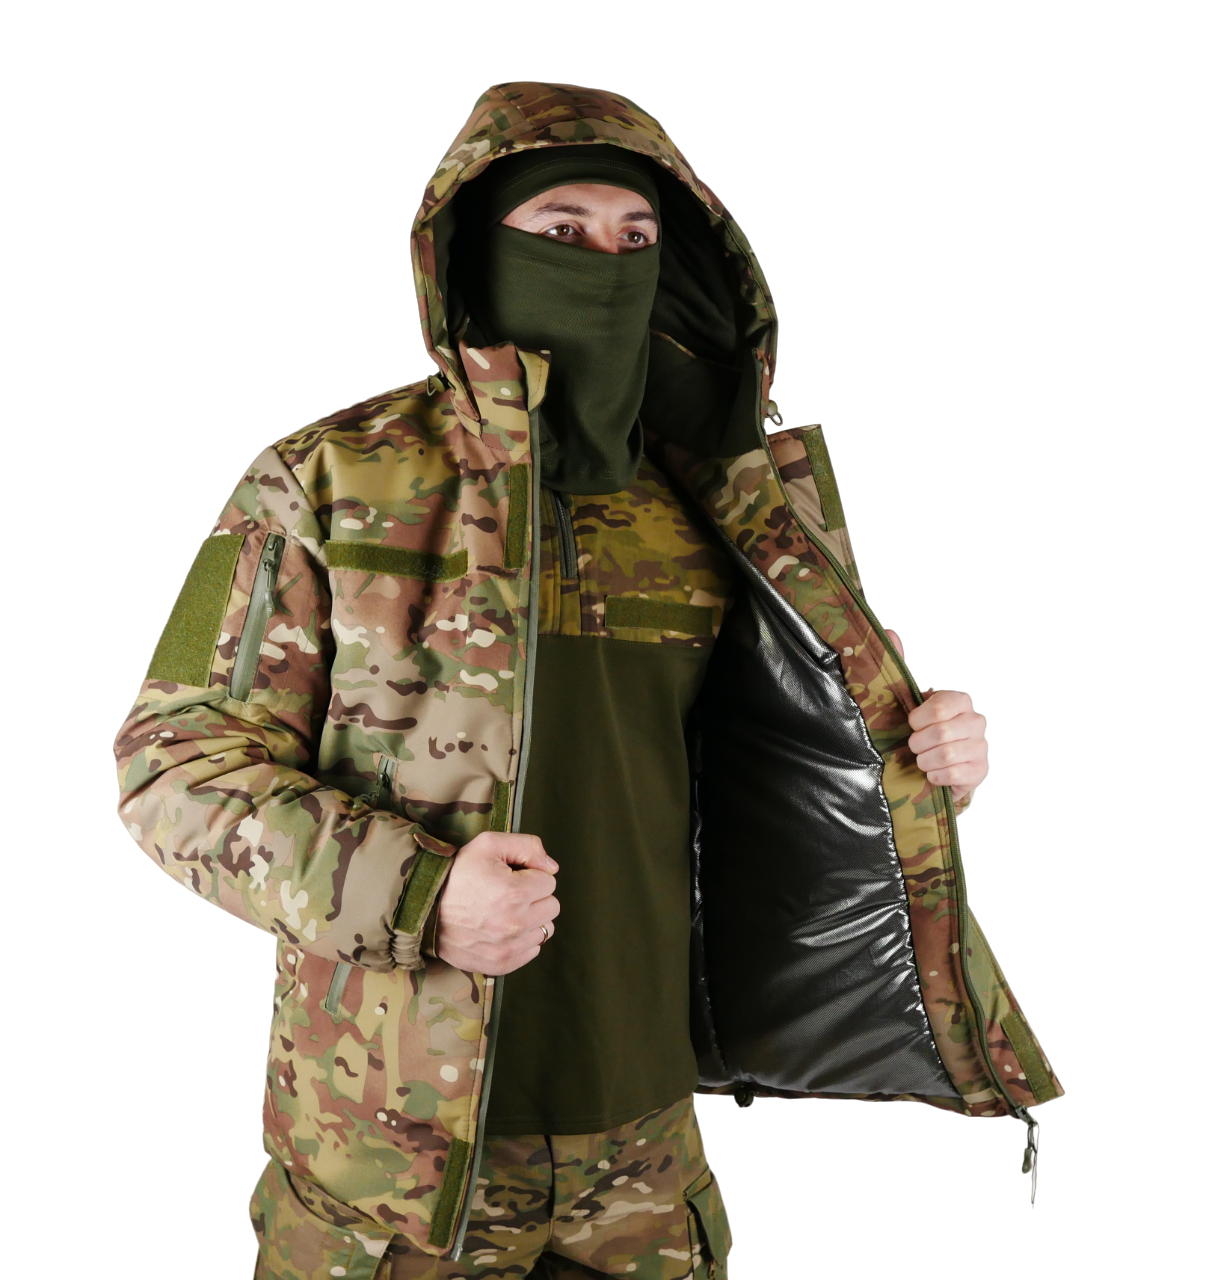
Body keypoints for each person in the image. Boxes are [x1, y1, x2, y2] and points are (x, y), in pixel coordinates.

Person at [115, 81, 1060, 1279]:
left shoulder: (725, 501)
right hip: (393, 1172)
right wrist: (419, 893)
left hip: (645, 1156)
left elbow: (757, 769)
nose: (602, 265)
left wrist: (909, 758)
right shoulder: (327, 479)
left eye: (634, 237)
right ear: (476, 253)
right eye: (560, 231)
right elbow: (173, 768)